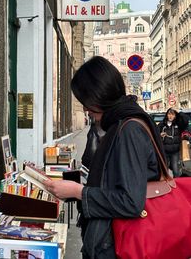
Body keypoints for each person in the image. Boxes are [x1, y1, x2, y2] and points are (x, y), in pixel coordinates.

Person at [43, 56, 166, 259]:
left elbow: (130, 202)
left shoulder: (129, 130)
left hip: (117, 246)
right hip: (111, 242)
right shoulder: (118, 123)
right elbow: (109, 179)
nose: (85, 109)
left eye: (86, 102)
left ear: (100, 96)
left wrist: (79, 192)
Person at [158, 108, 188, 177]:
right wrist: (160, 135)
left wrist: (179, 111)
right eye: (169, 114)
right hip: (164, 152)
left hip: (175, 152)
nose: (170, 116)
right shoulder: (162, 124)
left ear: (175, 116)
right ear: (166, 115)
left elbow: (186, 120)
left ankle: (176, 185)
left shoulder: (178, 124)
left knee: (176, 171)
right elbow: (155, 134)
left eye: (172, 114)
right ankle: (165, 186)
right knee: (164, 171)